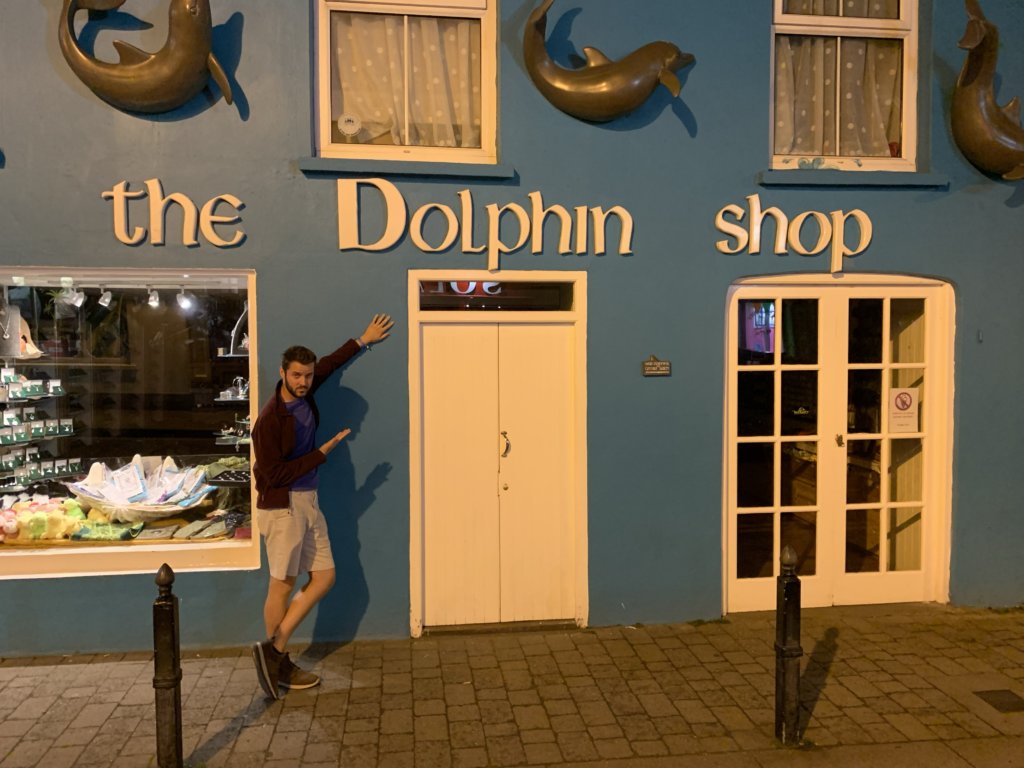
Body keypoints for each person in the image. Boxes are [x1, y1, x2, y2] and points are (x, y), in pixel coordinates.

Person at [251, 313, 394, 699]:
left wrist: (362, 340)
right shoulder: (269, 421)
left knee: (324, 576)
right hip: (282, 507)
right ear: (283, 372)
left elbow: (330, 364)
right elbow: (274, 475)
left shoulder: (307, 394)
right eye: (296, 375)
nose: (303, 382)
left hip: (307, 502)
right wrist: (321, 454)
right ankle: (277, 660)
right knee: (282, 584)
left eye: (308, 376)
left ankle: (274, 650)